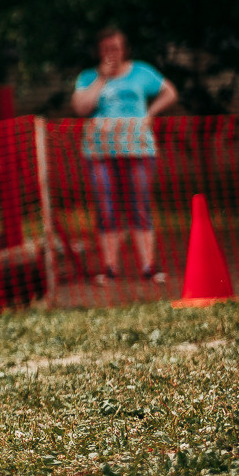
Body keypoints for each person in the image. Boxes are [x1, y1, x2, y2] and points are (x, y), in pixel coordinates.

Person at [71, 27, 178, 284]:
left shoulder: (142, 72)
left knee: (139, 203)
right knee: (106, 207)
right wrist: (101, 79)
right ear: (99, 51)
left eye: (116, 48)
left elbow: (170, 92)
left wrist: (150, 115)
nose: (111, 53)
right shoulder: (87, 77)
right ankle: (110, 268)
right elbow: (80, 108)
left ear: (124, 50)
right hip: (100, 150)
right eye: (106, 49)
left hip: (138, 148)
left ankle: (148, 266)